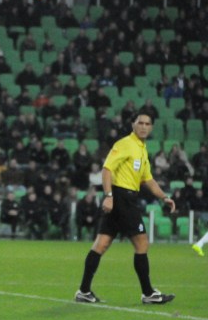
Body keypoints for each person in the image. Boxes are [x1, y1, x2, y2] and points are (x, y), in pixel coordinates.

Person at [75, 113, 176, 305]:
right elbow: (107, 169)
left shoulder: (142, 149)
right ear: (133, 125)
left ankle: (84, 291)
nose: (144, 127)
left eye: (147, 124)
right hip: (122, 198)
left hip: (125, 198)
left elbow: (148, 179)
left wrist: (164, 197)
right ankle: (148, 293)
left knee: (101, 244)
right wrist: (108, 196)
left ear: (151, 127)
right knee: (142, 244)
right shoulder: (125, 144)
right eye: (140, 123)